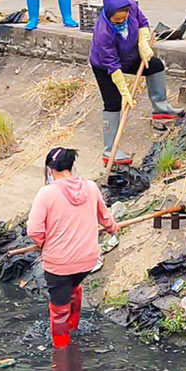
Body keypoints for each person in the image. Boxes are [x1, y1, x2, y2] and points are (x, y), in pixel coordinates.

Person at [26, 147, 118, 348]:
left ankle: (61, 355)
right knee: (73, 286)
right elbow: (104, 217)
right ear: (71, 166)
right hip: (87, 261)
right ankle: (73, 328)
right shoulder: (91, 187)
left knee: (58, 309)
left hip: (59, 263)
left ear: (51, 169)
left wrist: (44, 243)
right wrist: (112, 227)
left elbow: (33, 230)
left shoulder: (46, 194)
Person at [90, 0, 184, 166]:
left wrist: (143, 42)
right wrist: (125, 91)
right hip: (105, 66)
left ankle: (161, 109)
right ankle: (110, 150)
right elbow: (112, 64)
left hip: (130, 56)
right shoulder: (103, 32)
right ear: (108, 13)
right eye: (116, 19)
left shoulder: (131, 7)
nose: (120, 21)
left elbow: (142, 22)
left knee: (155, 65)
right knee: (113, 102)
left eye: (123, 18)